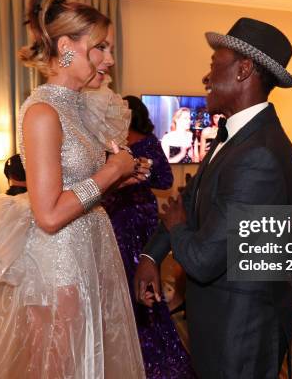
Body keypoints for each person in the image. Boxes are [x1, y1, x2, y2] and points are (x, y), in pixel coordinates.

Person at [0, 0, 146, 378]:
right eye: (100, 47)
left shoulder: (78, 108)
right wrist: (111, 171)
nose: (110, 58)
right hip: (59, 266)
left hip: (87, 254)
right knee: (61, 366)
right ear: (66, 47)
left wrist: (119, 177)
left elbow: (74, 186)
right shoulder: (42, 112)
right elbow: (50, 214)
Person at [135, 17, 292, 378]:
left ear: (243, 70)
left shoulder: (260, 155)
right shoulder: (236, 137)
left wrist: (177, 228)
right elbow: (187, 202)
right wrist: (151, 254)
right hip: (222, 320)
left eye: (213, 66)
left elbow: (203, 260)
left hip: (242, 331)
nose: (206, 78)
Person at [94, 95, 195, 378]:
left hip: (139, 219)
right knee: (120, 283)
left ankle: (151, 346)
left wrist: (138, 171)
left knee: (140, 279)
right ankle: (125, 344)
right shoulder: (111, 146)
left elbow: (165, 180)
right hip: (115, 218)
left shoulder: (149, 143)